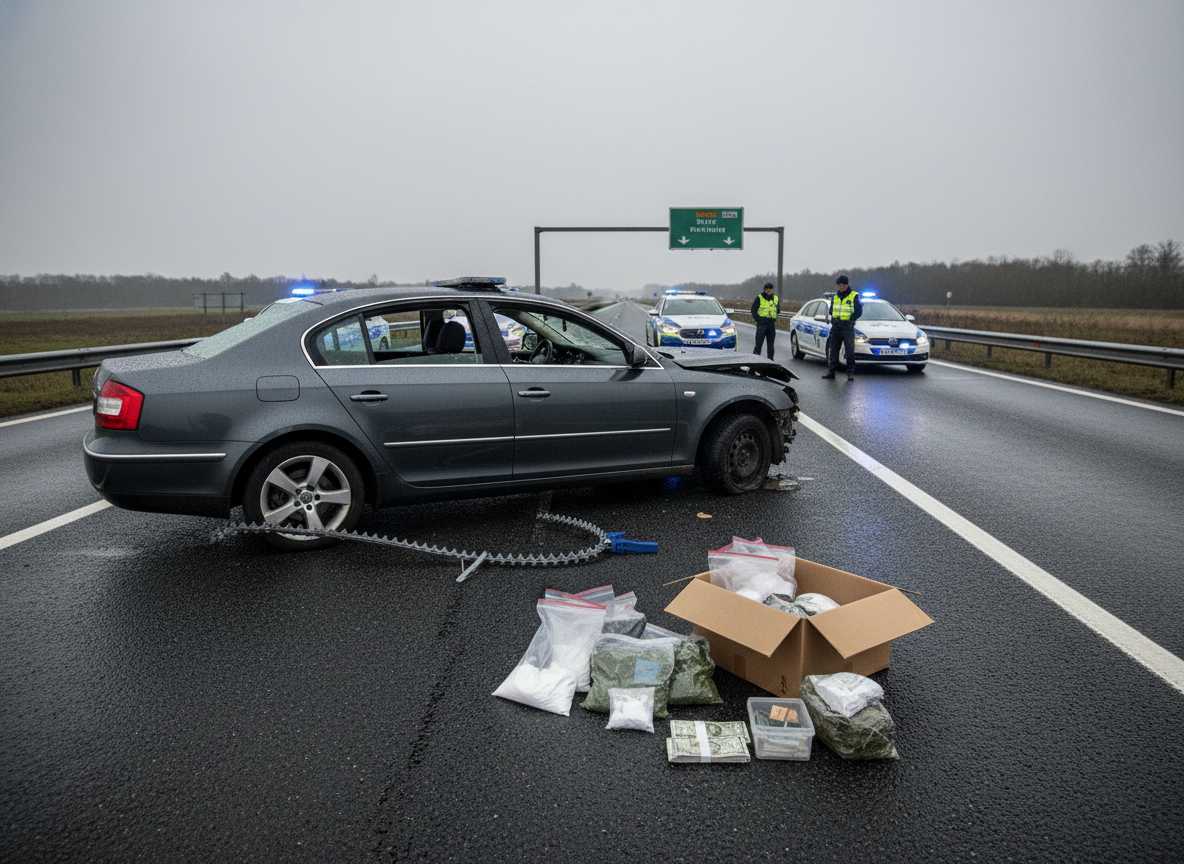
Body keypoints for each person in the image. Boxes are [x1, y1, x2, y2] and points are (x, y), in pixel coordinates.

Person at [822, 275, 862, 381]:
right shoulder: (835, 297)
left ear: (846, 285)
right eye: (838, 285)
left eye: (842, 285)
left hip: (847, 328)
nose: (840, 287)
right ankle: (831, 372)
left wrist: (850, 320)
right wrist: (835, 319)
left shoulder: (854, 296)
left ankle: (850, 373)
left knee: (849, 351)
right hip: (836, 327)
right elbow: (831, 310)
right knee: (833, 350)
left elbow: (859, 311)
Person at [750, 282, 779, 359]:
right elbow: (753, 310)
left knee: (771, 345)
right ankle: (755, 361)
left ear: (772, 290)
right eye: (767, 290)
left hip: (771, 324)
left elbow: (778, 309)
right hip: (762, 325)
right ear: (764, 290)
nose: (769, 291)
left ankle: (770, 361)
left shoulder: (776, 298)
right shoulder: (759, 298)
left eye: (770, 289)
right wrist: (759, 320)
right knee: (758, 344)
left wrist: (774, 318)